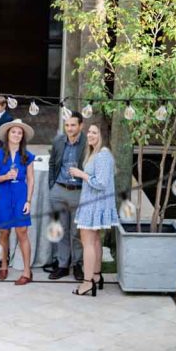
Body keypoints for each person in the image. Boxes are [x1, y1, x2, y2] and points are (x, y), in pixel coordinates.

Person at [69, 124, 119, 296]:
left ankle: (87, 282)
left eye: (94, 132)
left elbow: (101, 183)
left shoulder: (103, 155)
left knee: (87, 243)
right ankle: (96, 276)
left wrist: (81, 174)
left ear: (102, 135)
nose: (90, 135)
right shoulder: (95, 153)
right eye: (89, 132)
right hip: (91, 202)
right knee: (95, 240)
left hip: (94, 204)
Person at [0, 120, 35, 285]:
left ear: (22, 137)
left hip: (21, 195)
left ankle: (27, 272)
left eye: (19, 133)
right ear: (8, 134)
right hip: (3, 195)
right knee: (4, 232)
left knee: (22, 232)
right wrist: (4, 177)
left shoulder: (27, 156)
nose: (16, 135)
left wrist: (28, 201)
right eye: (13, 132)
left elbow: (31, 179)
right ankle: (3, 265)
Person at [47, 112, 87, 281]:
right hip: (59, 191)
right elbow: (52, 163)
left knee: (77, 232)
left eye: (73, 125)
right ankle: (63, 265)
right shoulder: (58, 141)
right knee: (61, 229)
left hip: (78, 191)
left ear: (81, 125)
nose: (70, 128)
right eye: (67, 125)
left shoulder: (86, 142)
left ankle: (78, 264)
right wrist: (52, 186)